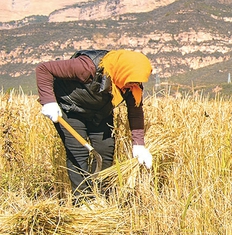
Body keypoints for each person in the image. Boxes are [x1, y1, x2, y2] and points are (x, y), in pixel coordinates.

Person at [35, 49, 154, 202]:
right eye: (131, 82)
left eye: (138, 82)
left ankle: (100, 197)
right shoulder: (87, 67)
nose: (133, 86)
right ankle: (83, 201)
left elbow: (135, 112)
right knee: (78, 153)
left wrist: (139, 144)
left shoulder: (132, 84)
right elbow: (44, 69)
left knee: (105, 151)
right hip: (71, 110)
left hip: (99, 113)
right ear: (123, 72)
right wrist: (48, 101)